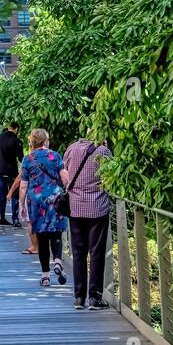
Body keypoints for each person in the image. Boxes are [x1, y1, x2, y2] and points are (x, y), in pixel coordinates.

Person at [61, 133, 113, 310]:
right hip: (97, 208)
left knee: (78, 253)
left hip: (75, 208)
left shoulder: (71, 149)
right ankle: (95, 298)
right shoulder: (103, 152)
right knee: (96, 253)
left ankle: (78, 298)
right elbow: (109, 178)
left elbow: (66, 175)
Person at [19, 129, 67, 288]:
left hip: (37, 203)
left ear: (32, 141)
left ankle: (45, 276)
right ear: (46, 140)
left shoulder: (28, 159)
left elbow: (23, 186)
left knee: (42, 238)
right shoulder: (56, 156)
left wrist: (21, 205)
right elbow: (65, 177)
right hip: (55, 200)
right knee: (56, 233)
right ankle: (58, 261)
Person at [0, 122, 24, 228]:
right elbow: (21, 158)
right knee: (15, 196)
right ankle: (15, 219)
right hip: (12, 172)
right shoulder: (17, 141)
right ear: (16, 129)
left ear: (9, 128)